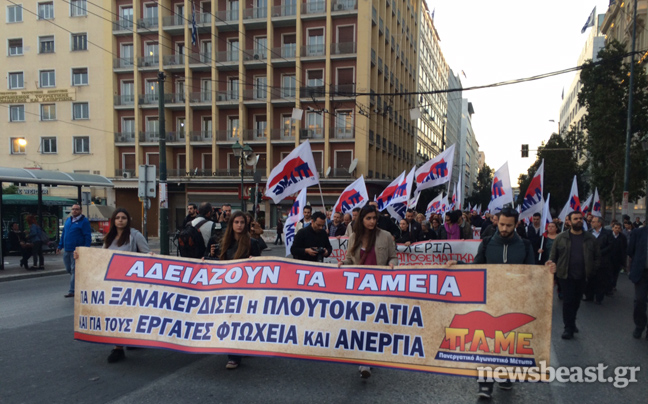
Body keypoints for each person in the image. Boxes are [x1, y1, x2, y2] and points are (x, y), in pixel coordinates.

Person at [450, 207, 546, 398]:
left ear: (516, 224)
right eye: (501, 224)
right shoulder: (487, 244)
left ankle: (505, 374)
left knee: (508, 343)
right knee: (486, 343)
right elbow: (476, 267)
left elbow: (533, 274)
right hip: (489, 301)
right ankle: (485, 384)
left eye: (508, 225)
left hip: (514, 303)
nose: (504, 228)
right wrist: (458, 266)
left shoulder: (525, 245)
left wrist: (547, 271)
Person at [338, 205, 398, 379]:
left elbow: (393, 257)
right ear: (361, 220)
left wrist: (392, 265)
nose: (372, 221)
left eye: (374, 218)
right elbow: (349, 259)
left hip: (379, 286)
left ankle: (369, 358)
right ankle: (364, 360)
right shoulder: (354, 237)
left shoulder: (385, 236)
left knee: (374, 323)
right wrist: (343, 264)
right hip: (359, 287)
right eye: (368, 218)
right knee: (362, 323)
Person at [91, 208, 150, 363]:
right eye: (117, 218)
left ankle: (129, 340)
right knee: (116, 314)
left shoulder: (135, 235)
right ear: (114, 220)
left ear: (128, 220)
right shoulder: (109, 237)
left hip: (130, 283)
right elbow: (101, 257)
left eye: (123, 217)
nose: (120, 220)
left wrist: (148, 258)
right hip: (112, 282)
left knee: (128, 313)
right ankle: (118, 348)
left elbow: (147, 254)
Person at [205, 211, 262, 368]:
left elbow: (261, 267)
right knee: (229, 320)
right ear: (231, 224)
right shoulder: (222, 242)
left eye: (242, 222)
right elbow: (216, 264)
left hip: (245, 289)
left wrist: (254, 262)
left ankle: (236, 354)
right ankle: (234, 353)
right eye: (236, 222)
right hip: (226, 289)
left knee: (240, 320)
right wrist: (209, 257)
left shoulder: (251, 243)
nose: (239, 225)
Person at [549, 211, 600, 340]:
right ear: (570, 222)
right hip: (565, 276)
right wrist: (552, 273)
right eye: (575, 218)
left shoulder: (590, 238)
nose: (578, 220)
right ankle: (568, 328)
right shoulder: (561, 238)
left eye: (580, 218)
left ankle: (572, 321)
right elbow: (553, 257)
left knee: (576, 301)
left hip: (582, 276)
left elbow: (597, 257)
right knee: (568, 302)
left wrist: (592, 270)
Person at [57, 204, 92, 298]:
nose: (74, 211)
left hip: (77, 251)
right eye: (73, 209)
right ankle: (81, 282)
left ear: (80, 210)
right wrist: (60, 246)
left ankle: (72, 291)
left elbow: (87, 236)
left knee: (74, 270)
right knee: (68, 269)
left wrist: (86, 248)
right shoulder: (68, 220)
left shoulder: (84, 221)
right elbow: (64, 234)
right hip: (67, 249)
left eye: (76, 209)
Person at [585, 216, 612, 304]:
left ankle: (599, 298)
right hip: (590, 260)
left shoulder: (607, 233)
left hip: (602, 260)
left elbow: (610, 246)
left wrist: (599, 252)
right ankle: (589, 296)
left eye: (593, 222)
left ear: (599, 223)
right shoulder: (588, 233)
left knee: (600, 279)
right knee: (590, 278)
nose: (591, 223)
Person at [608, 222, 627, 294]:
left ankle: (613, 285)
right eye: (615, 228)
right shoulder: (609, 235)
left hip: (618, 258)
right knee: (609, 273)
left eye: (618, 228)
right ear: (612, 228)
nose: (617, 229)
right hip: (609, 258)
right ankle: (608, 287)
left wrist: (623, 260)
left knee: (615, 273)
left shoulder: (623, 237)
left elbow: (625, 248)